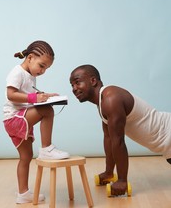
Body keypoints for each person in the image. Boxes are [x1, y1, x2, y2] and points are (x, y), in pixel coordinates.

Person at [70, 64, 171, 196]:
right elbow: (109, 139)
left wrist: (122, 180)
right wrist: (109, 173)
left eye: (77, 83)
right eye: (72, 85)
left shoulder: (111, 99)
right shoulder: (103, 103)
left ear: (93, 81)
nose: (74, 89)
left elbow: (118, 141)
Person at [3, 40, 69, 204]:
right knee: (47, 111)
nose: (43, 71)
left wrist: (45, 96)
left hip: (20, 117)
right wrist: (35, 98)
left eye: (46, 68)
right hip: (15, 118)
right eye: (42, 66)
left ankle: (23, 194)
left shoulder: (30, 76)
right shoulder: (17, 72)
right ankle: (47, 148)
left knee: (26, 156)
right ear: (30, 57)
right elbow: (11, 95)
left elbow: (29, 96)